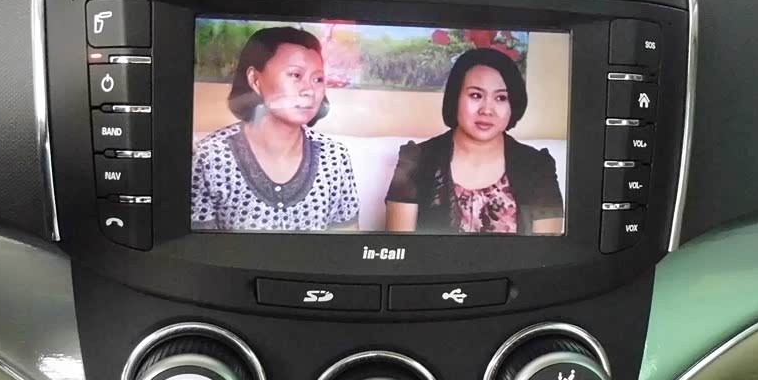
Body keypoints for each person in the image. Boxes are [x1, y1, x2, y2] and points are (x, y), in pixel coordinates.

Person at [191, 27, 360, 231]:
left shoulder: (335, 157)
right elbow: (197, 246)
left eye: (318, 79)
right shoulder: (209, 157)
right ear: (255, 80)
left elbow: (345, 244)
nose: (309, 90)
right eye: (295, 75)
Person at [385, 47, 563, 234]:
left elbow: (545, 247)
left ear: (513, 105)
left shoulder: (537, 166)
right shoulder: (416, 160)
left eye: (501, 98)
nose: (487, 110)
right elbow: (401, 246)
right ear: (455, 98)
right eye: (476, 95)